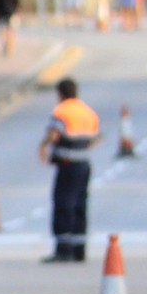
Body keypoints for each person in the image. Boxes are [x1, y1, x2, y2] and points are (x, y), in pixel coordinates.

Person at [39, 77, 100, 263]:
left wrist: (43, 147)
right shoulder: (87, 111)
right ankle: (79, 249)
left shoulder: (62, 111)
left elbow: (53, 134)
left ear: (60, 93)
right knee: (80, 205)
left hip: (67, 164)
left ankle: (63, 249)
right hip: (84, 164)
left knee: (63, 204)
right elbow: (95, 137)